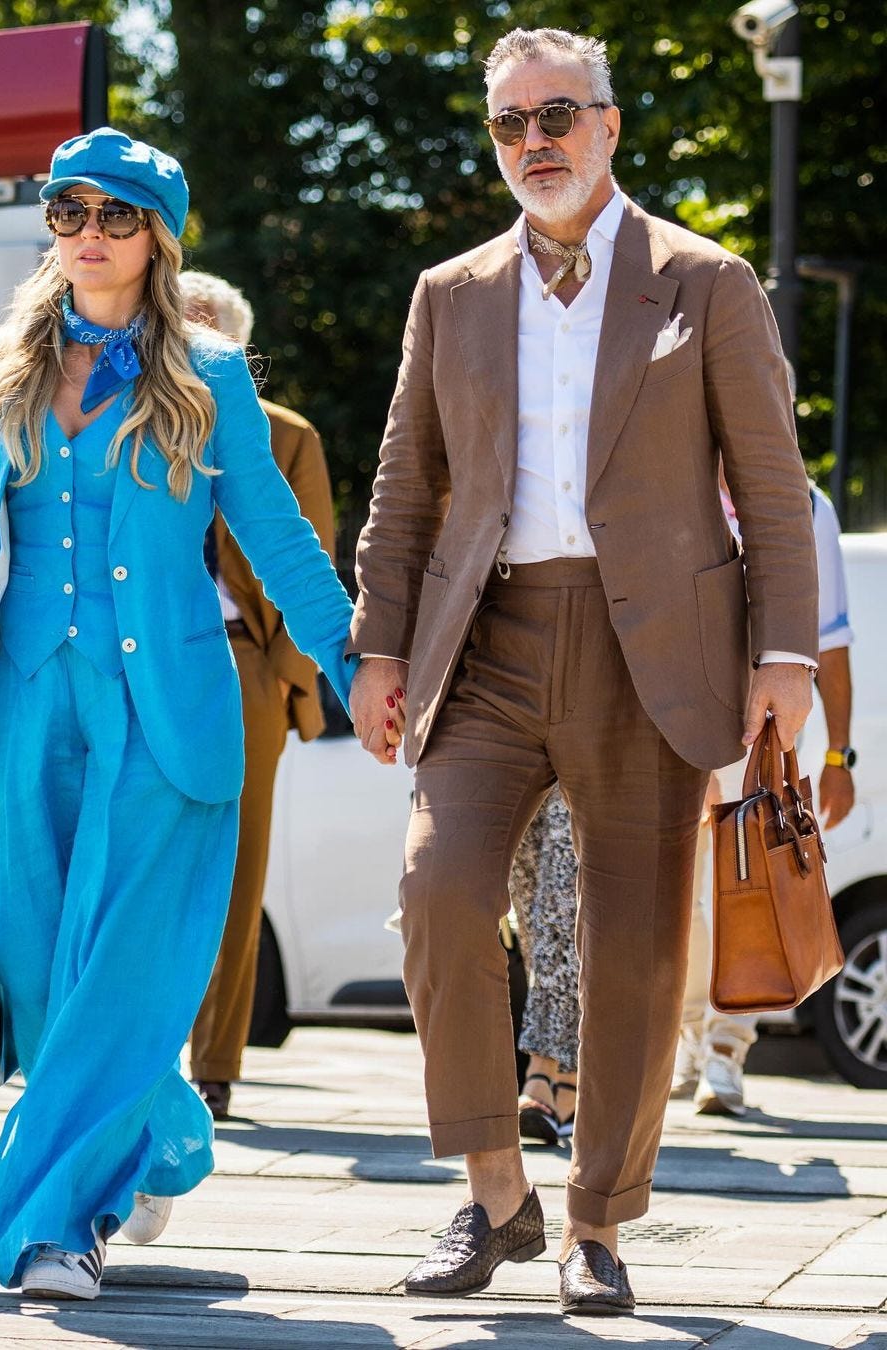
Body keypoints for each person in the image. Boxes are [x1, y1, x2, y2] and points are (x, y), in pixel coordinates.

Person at [347, 26, 818, 1315]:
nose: (535, 141)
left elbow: (772, 489)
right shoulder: (451, 292)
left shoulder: (706, 282)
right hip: (489, 646)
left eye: (559, 114)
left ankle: (598, 1224)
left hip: (651, 652)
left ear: (611, 126)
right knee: (439, 895)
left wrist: (785, 657)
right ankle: (497, 1196)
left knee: (634, 949)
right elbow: (404, 488)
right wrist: (378, 645)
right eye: (510, 123)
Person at [0, 128, 356, 1301]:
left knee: (118, 978)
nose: (90, 237)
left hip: (168, 720)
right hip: (27, 715)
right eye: (70, 212)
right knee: (39, 983)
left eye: (117, 216)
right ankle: (167, 1139)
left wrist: (359, 665)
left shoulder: (207, 375)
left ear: (159, 237)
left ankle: (50, 1227)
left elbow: (277, 544)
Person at [179, 270, 337, 1121]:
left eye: (211, 329)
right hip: (140, 654)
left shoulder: (287, 436)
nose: (194, 340)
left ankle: (216, 1061)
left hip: (242, 662)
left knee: (237, 869)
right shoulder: (128, 408)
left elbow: (310, 553)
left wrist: (282, 678)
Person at [675, 467, 856, 1117]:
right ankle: (691, 1032)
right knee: (675, 899)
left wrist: (838, 755)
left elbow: (829, 641)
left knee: (747, 898)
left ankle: (726, 1049)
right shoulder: (672, 481)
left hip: (760, 739)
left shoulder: (805, 504)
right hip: (675, 725)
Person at [509, 787, 579, 1145]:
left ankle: (542, 1068)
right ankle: (572, 1076)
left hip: (584, 747)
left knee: (560, 910)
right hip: (510, 747)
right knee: (533, 914)